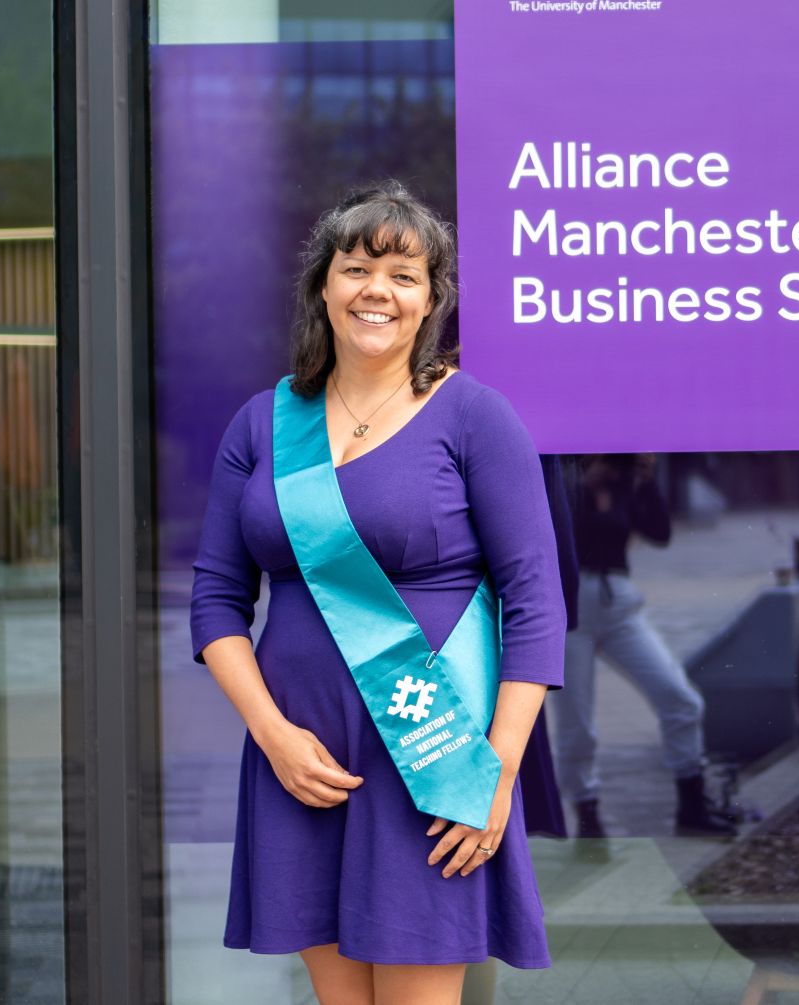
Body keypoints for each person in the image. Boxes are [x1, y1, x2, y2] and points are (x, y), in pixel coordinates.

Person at [189, 181, 565, 1005]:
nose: (377, 291)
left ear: (432, 299)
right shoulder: (263, 424)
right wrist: (272, 734)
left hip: (430, 755)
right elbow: (217, 599)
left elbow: (536, 601)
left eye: (404, 275)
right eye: (358, 267)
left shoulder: (474, 417)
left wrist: (493, 774)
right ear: (323, 284)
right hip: (304, 760)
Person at [553, 454, 736, 838]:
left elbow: (660, 533)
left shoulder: (625, 483)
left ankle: (691, 806)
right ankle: (589, 819)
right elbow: (554, 530)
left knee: (681, 699)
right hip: (566, 610)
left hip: (619, 604)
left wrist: (647, 479)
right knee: (577, 725)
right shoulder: (561, 477)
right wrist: (585, 484)